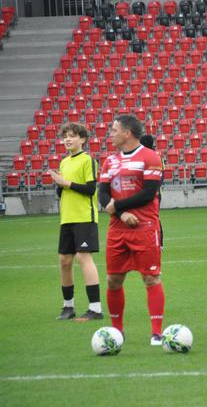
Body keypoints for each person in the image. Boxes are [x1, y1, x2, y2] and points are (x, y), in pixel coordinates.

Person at [98, 115, 166, 346]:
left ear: (127, 133)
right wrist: (120, 213)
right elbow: (103, 194)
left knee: (151, 278)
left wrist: (117, 206)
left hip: (144, 228)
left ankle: (156, 332)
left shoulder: (150, 157)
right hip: (117, 230)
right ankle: (117, 331)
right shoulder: (109, 161)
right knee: (113, 280)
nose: (111, 133)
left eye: (114, 129)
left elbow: (149, 193)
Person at [49, 123, 103, 321]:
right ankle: (68, 307)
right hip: (67, 219)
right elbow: (62, 191)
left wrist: (66, 183)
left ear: (83, 139)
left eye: (72, 136)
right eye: (65, 136)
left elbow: (90, 189)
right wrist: (59, 183)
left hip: (84, 218)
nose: (68, 139)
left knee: (83, 258)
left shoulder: (88, 160)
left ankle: (95, 309)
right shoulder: (64, 162)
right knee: (64, 261)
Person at [139, 134, 164, 248]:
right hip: (156, 193)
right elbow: (161, 176)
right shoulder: (158, 157)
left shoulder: (149, 157)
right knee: (153, 217)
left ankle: (156, 242)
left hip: (152, 193)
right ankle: (158, 242)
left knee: (151, 218)